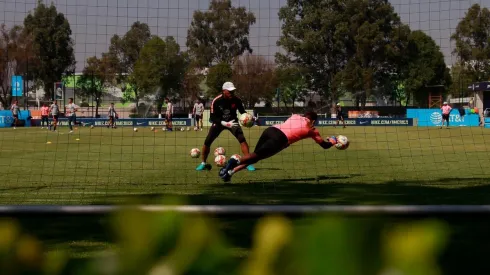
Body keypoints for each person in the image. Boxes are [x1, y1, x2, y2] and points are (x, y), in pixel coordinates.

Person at [219, 111, 337, 182]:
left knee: (254, 157)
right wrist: (333, 141)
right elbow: (325, 146)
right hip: (280, 139)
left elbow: (293, 127)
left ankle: (230, 173)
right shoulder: (312, 130)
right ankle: (234, 161)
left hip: (270, 130)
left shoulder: (295, 116)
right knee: (255, 156)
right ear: (313, 121)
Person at [196, 81, 256, 171]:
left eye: (233, 91)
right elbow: (212, 117)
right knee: (207, 141)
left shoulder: (237, 100)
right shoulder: (216, 101)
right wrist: (224, 123)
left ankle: (247, 163)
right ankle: (203, 163)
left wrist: (250, 118)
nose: (232, 93)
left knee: (242, 140)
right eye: (230, 91)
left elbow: (242, 112)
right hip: (219, 123)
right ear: (224, 91)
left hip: (233, 122)